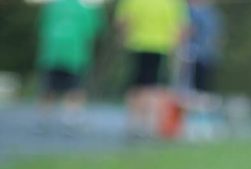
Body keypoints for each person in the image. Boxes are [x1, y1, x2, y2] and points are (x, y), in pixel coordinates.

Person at [115, 0, 188, 136]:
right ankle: (147, 123)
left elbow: (122, 21)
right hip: (160, 46)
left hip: (136, 44)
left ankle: (134, 122)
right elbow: (180, 28)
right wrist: (176, 49)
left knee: (136, 84)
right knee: (152, 86)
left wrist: (123, 39)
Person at [36, 0, 104, 125]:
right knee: (75, 89)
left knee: (48, 88)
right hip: (75, 54)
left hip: (52, 53)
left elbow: (42, 28)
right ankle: (71, 118)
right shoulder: (85, 9)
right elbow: (93, 30)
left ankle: (44, 118)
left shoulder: (52, 7)